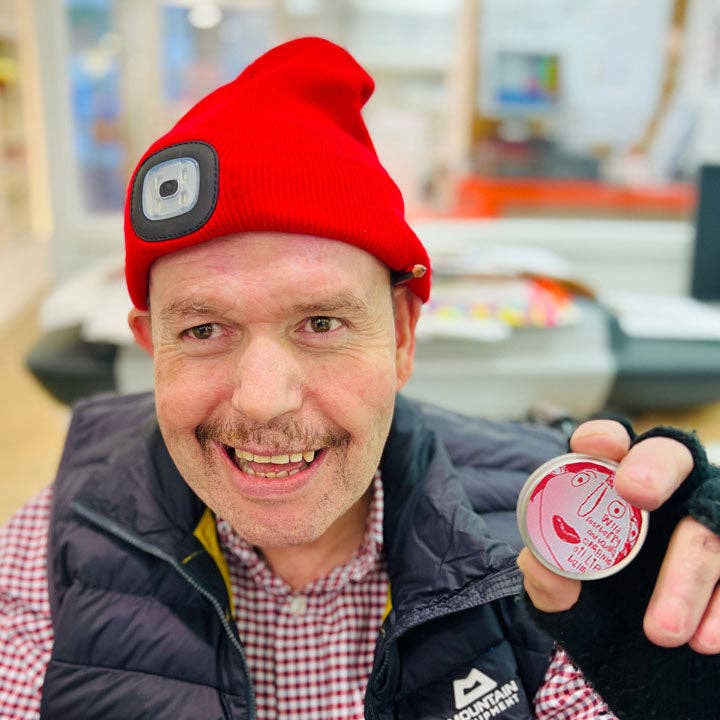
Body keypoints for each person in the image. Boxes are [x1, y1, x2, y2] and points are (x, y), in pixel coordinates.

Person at [1, 36, 719, 720]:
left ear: (401, 335)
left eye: (320, 323)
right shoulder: (46, 564)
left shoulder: (565, 562)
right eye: (203, 331)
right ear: (153, 347)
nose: (264, 400)